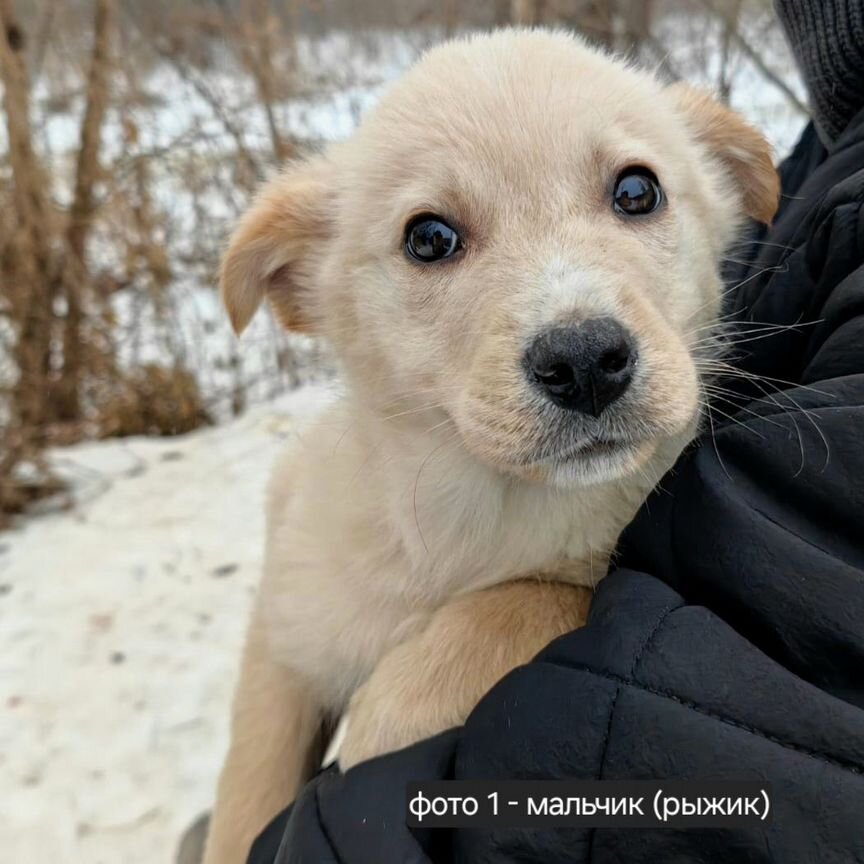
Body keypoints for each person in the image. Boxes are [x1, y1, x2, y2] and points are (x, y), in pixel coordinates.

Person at [246, 1, 864, 860]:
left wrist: (509, 626)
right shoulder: (325, 539)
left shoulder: (698, 503)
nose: (575, 332)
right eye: (433, 239)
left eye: (634, 194)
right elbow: (286, 657)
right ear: (302, 286)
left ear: (725, 194)